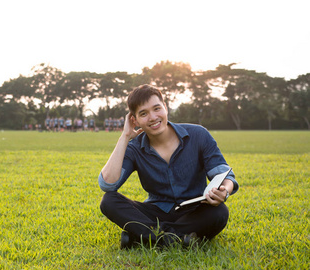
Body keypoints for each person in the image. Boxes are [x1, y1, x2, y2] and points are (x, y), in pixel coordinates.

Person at [99, 84, 238, 249]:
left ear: (165, 108)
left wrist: (225, 191)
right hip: (156, 212)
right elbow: (108, 184)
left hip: (194, 210)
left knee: (219, 212)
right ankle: (181, 238)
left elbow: (224, 174)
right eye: (143, 113)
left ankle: (144, 237)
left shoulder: (198, 135)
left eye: (156, 108)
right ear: (134, 120)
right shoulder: (134, 148)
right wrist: (125, 136)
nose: (152, 117)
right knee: (109, 201)